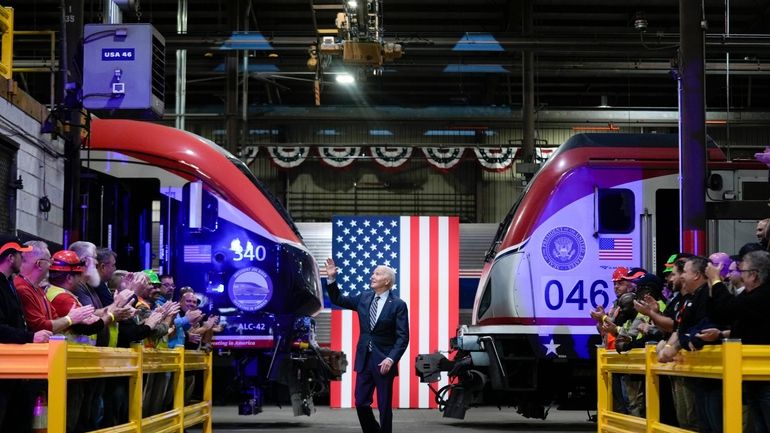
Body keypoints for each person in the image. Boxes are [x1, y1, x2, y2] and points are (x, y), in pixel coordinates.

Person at [325, 258, 409, 433]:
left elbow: (403, 337)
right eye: (373, 273)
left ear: (387, 281)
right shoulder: (364, 297)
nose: (372, 276)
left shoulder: (398, 305)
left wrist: (391, 359)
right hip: (364, 358)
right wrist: (332, 279)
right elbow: (338, 299)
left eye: (377, 274)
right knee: (361, 401)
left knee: (384, 405)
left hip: (383, 362)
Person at [0, 235, 53, 433]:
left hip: (14, 369)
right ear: (11, 258)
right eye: (21, 255)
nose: (23, 260)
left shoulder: (9, 284)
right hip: (4, 368)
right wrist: (31, 337)